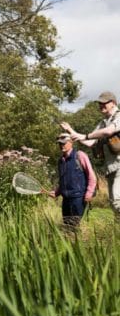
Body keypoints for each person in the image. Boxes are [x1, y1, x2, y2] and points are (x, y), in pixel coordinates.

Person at [61, 91, 120, 222]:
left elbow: (108, 131)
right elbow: (90, 142)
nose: (101, 105)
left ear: (113, 103)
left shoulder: (118, 117)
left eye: (105, 102)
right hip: (111, 168)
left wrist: (86, 135)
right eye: (100, 103)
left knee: (117, 200)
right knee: (113, 202)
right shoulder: (102, 122)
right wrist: (71, 130)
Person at [49, 133, 97, 231]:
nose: (61, 145)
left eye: (64, 143)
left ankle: (80, 244)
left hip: (78, 198)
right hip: (65, 199)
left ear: (71, 142)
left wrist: (89, 192)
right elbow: (63, 180)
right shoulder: (60, 161)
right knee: (67, 226)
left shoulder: (80, 155)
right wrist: (57, 192)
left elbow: (91, 176)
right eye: (59, 144)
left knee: (76, 227)